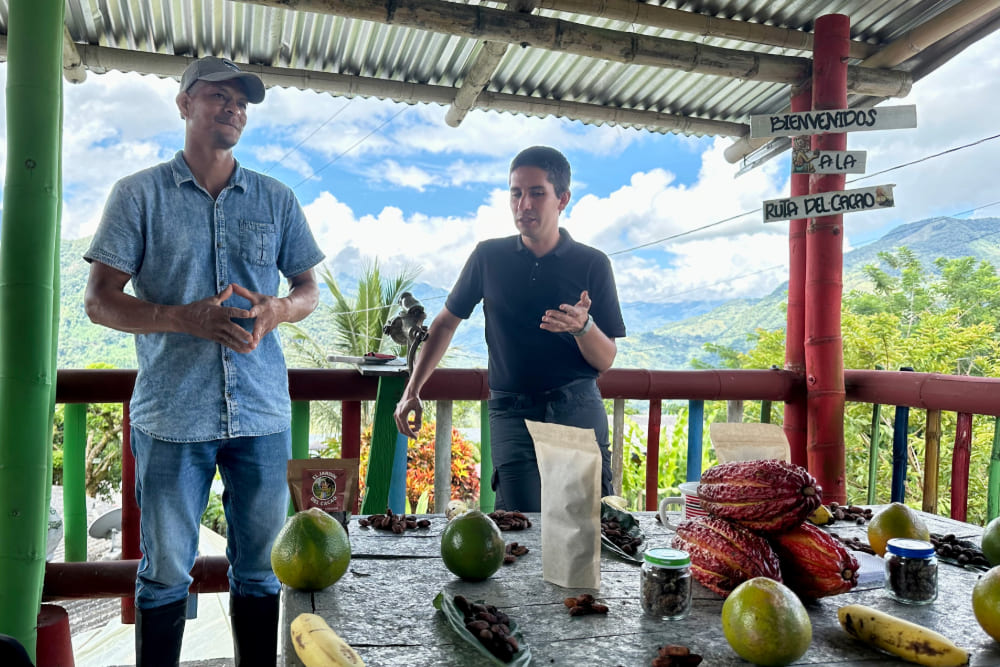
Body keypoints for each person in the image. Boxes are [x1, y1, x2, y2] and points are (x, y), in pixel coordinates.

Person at [83, 56, 325, 667]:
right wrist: (179, 316)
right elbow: (99, 301)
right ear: (184, 104)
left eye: (241, 101)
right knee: (164, 571)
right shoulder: (138, 195)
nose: (233, 108)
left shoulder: (276, 198)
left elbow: (307, 289)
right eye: (218, 96)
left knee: (262, 569)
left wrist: (279, 311)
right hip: (172, 415)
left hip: (262, 415)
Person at [394, 146, 626, 512]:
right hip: (511, 412)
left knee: (585, 529)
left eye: (537, 193)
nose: (524, 205)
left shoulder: (592, 264)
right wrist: (412, 389)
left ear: (562, 198)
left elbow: (606, 358)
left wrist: (583, 327)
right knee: (519, 525)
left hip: (576, 407)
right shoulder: (489, 257)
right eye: (516, 193)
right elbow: (444, 324)